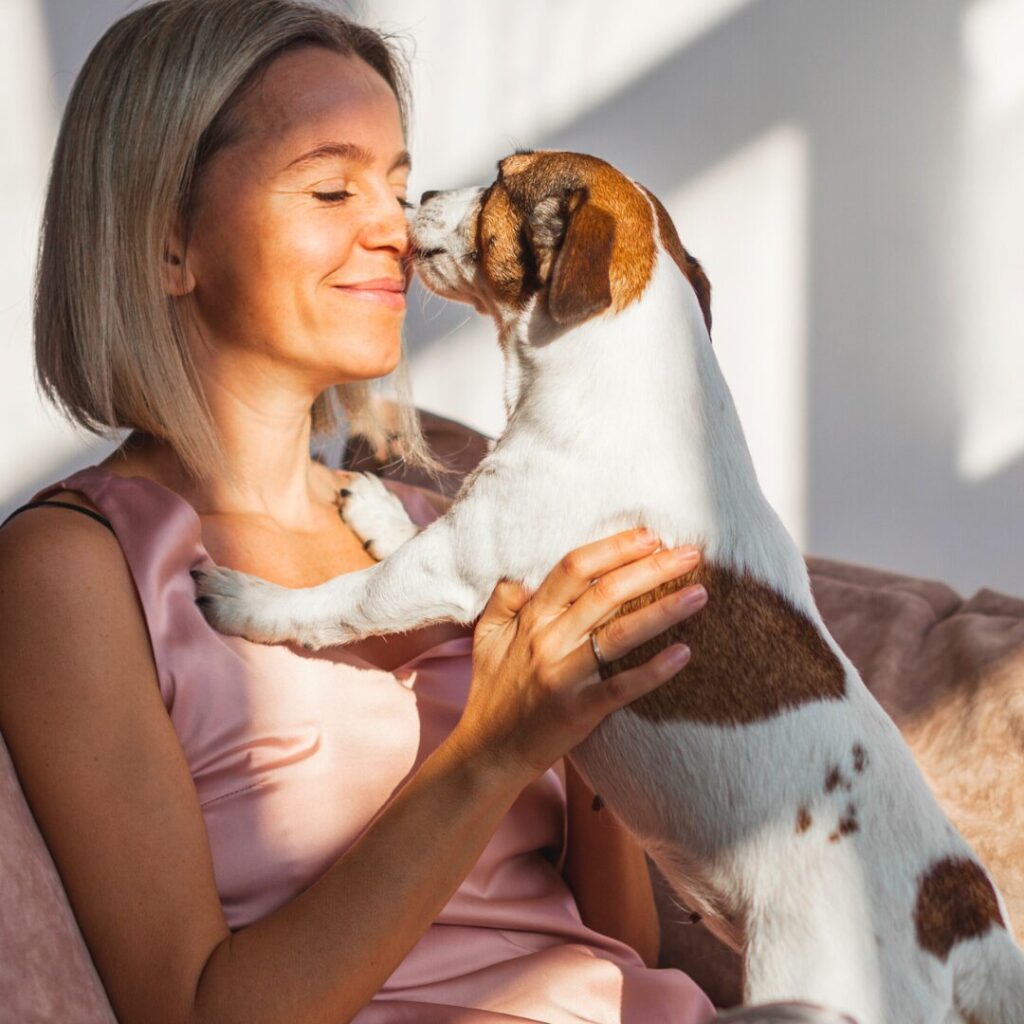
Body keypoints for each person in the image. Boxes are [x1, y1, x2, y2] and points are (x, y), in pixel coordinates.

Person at [0, 2, 716, 1021]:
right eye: (333, 188)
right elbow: (196, 1011)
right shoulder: (78, 568)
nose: (398, 230)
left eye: (396, 185)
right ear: (168, 243)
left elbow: (619, 943)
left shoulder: (429, 528)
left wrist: (589, 707)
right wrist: (495, 745)